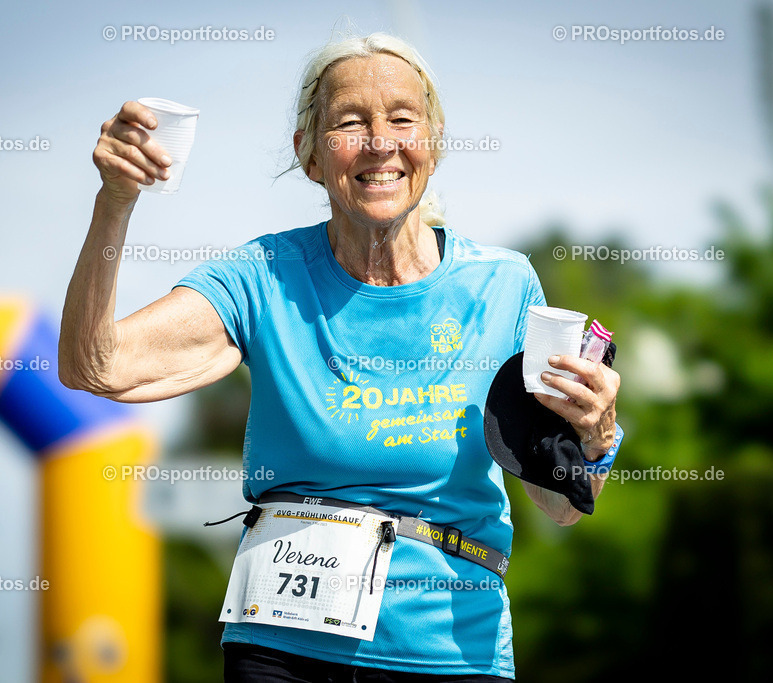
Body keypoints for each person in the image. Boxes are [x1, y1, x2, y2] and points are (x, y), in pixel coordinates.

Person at [59, 32, 621, 683]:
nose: (381, 141)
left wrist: (596, 436)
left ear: (432, 143)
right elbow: (92, 365)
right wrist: (115, 201)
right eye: (351, 122)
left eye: (402, 119)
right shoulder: (264, 276)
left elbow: (560, 504)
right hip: (282, 650)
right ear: (309, 154)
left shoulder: (503, 286)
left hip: (447, 652)